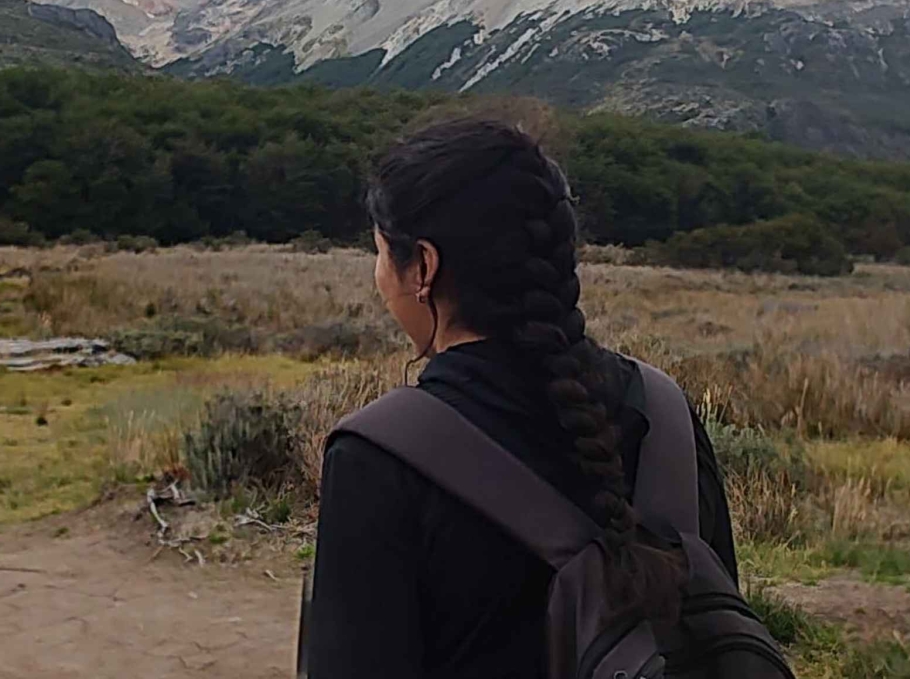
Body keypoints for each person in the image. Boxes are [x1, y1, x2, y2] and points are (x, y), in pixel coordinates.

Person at [303, 118, 742, 679]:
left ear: (425, 268)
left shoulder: (378, 458)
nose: (378, 277)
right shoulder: (665, 414)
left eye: (384, 255)